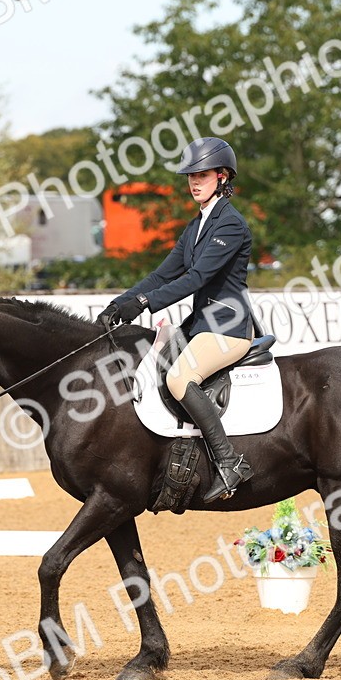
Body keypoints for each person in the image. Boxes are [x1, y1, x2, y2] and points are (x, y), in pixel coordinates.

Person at [97, 137, 256, 503]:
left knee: (180, 377)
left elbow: (196, 279)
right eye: (190, 176)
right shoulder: (197, 225)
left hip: (228, 327)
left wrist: (144, 302)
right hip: (200, 326)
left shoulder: (230, 225)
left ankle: (230, 462)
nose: (194, 182)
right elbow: (162, 274)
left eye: (202, 175)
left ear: (222, 176)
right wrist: (120, 303)